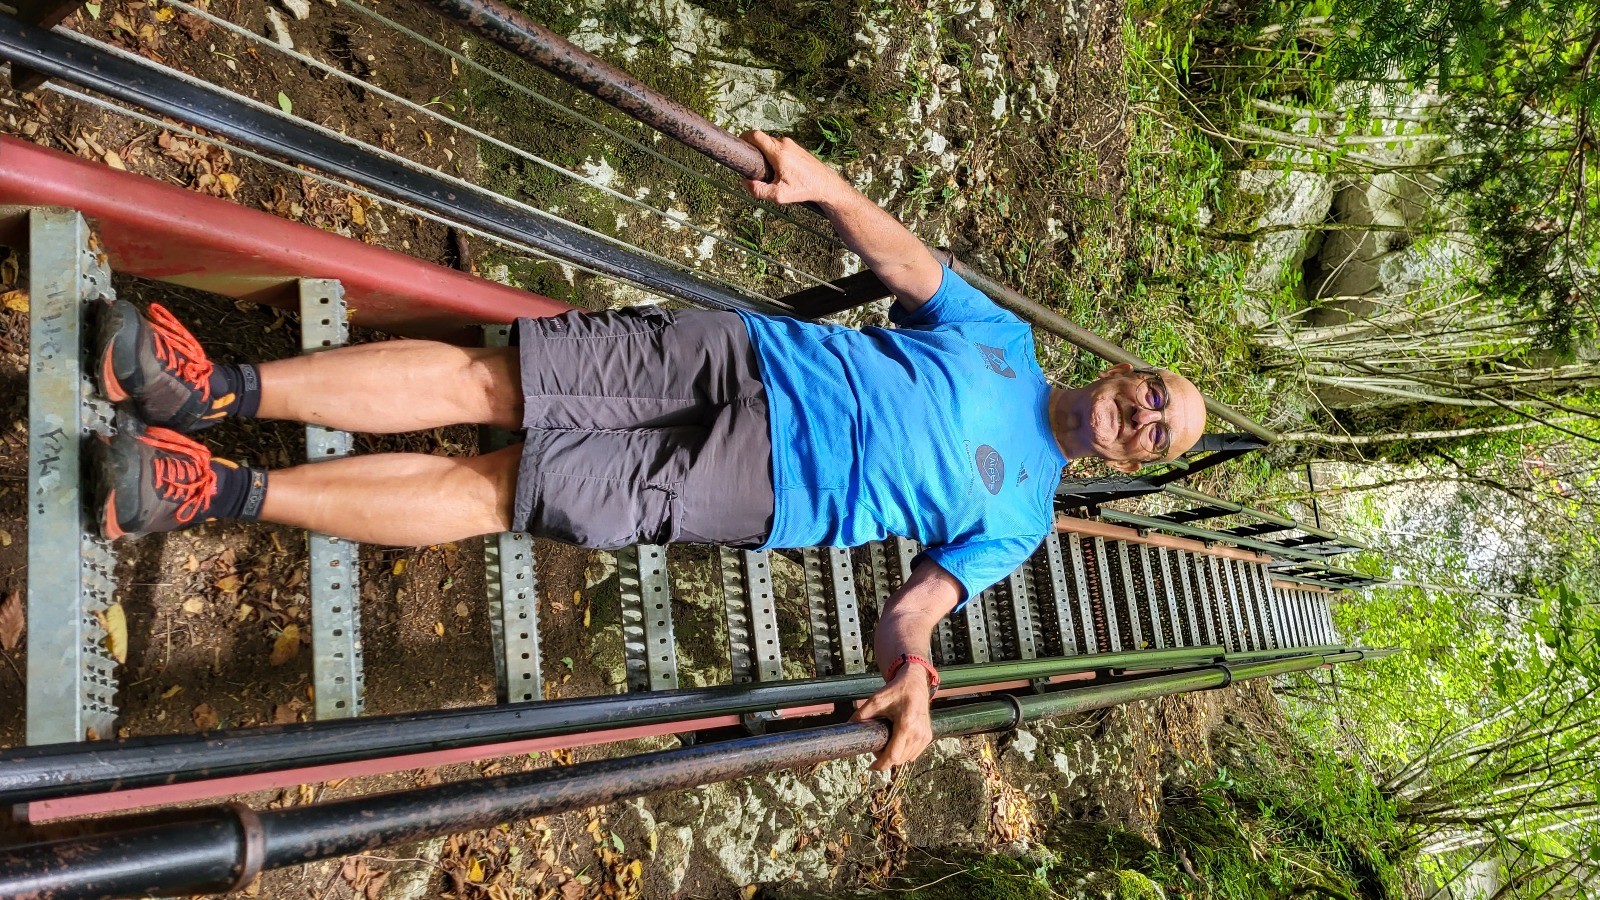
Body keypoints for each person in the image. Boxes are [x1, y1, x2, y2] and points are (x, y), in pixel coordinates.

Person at [93, 131, 1207, 769]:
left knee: (498, 491)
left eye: (1157, 434)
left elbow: (912, 610)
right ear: (1128, 372)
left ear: (1130, 463)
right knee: (495, 382)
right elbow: (909, 262)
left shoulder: (1019, 523)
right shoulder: (1004, 339)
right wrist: (826, 188)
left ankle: (211, 490)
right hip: (743, 358)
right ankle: (214, 389)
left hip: (759, 488)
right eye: (1153, 393)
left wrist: (914, 676)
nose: (1143, 416)